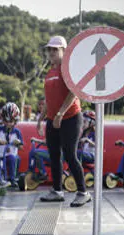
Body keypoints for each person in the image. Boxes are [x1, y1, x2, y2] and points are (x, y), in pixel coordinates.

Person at [37, 35, 91, 207]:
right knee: (54, 156)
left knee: (70, 154)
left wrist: (60, 114)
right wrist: (40, 119)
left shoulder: (68, 69)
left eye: (55, 49)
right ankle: (57, 191)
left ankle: (83, 192)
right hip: (53, 120)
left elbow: (73, 92)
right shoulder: (50, 72)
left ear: (64, 51)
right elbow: (48, 99)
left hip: (70, 118)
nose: (51, 52)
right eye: (49, 49)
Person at [0, 102, 24, 186]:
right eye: (6, 121)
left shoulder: (17, 132)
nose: (8, 124)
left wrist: (17, 144)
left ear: (15, 121)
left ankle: (12, 179)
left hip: (11, 154)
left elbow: (21, 147)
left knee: (13, 158)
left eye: (11, 121)